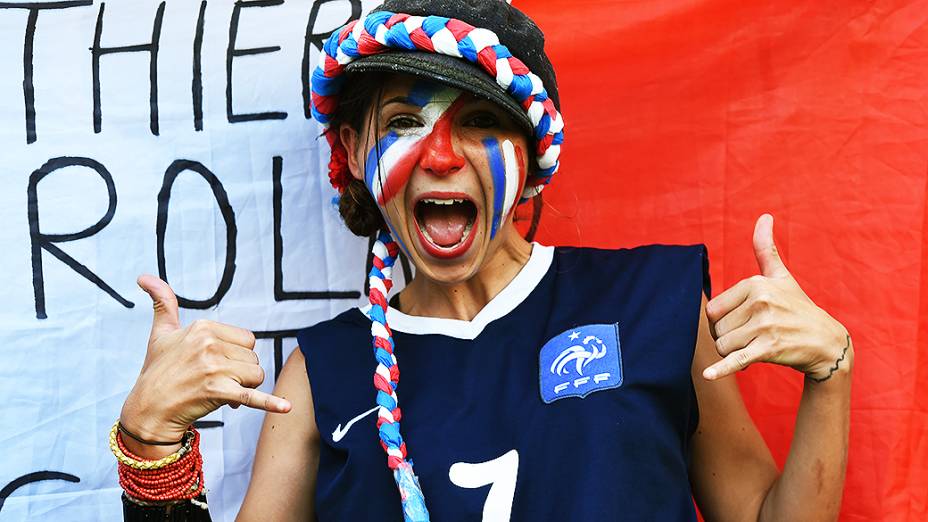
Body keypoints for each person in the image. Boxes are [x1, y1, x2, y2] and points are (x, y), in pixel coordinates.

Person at [113, 0, 854, 520]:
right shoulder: (323, 372)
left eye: (479, 123)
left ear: (531, 162)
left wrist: (831, 375)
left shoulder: (651, 304)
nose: (440, 156)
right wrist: (151, 449)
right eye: (404, 122)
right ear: (354, 156)